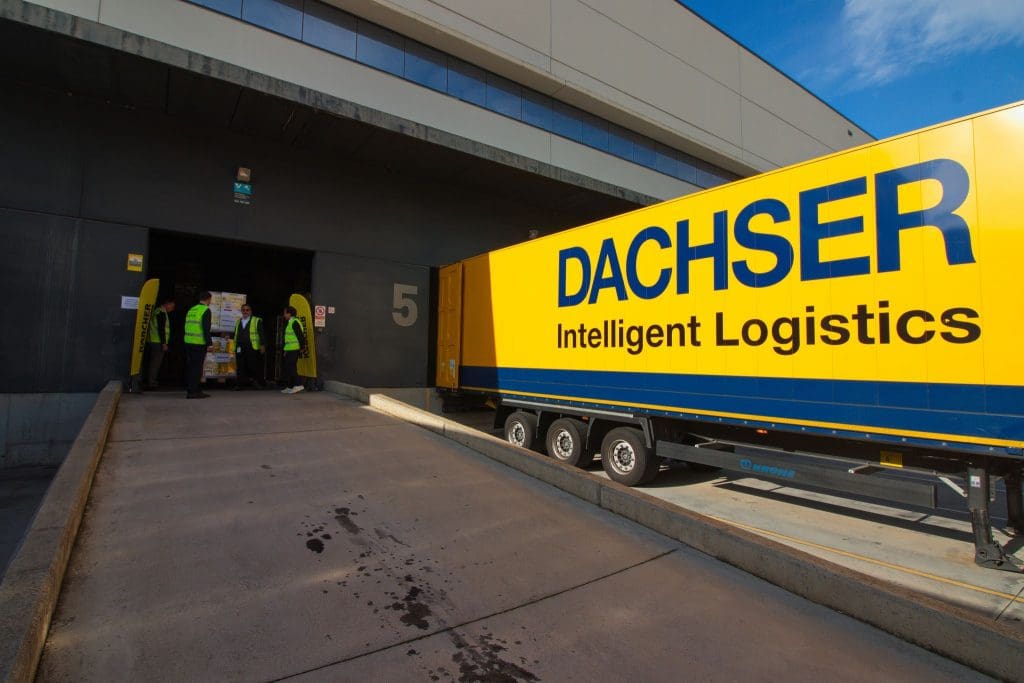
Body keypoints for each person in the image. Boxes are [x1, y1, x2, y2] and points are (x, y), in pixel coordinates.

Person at [184, 292, 214, 399]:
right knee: (196, 368)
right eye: (210, 300)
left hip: (188, 341)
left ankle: (194, 389)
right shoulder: (205, 310)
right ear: (208, 299)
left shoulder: (192, 309)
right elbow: (206, 328)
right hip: (198, 343)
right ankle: (193, 392)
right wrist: (209, 343)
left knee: (191, 367)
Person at [233, 304, 265, 389]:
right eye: (243, 310)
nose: (245, 311)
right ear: (241, 311)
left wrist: (262, 345)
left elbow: (261, 333)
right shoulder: (238, 321)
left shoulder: (256, 320)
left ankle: (255, 382)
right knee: (240, 366)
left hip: (251, 346)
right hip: (240, 346)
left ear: (250, 311)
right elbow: (236, 333)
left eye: (247, 310)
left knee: (252, 365)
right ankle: (239, 384)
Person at [146, 297, 175, 389]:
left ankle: (151, 380)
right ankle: (152, 382)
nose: (172, 309)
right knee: (156, 363)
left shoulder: (157, 311)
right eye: (172, 306)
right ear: (167, 304)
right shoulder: (161, 313)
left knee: (153, 362)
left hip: (153, 340)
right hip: (157, 342)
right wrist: (164, 343)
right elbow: (161, 329)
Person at [280, 305, 306, 395]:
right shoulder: (290, 322)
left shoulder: (294, 322)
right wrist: (286, 350)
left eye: (285, 313)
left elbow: (300, 336)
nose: (284, 315)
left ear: (289, 314)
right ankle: (290, 386)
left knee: (291, 367)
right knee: (288, 367)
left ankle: (298, 384)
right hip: (289, 349)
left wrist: (302, 347)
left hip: (294, 349)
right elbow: (289, 339)